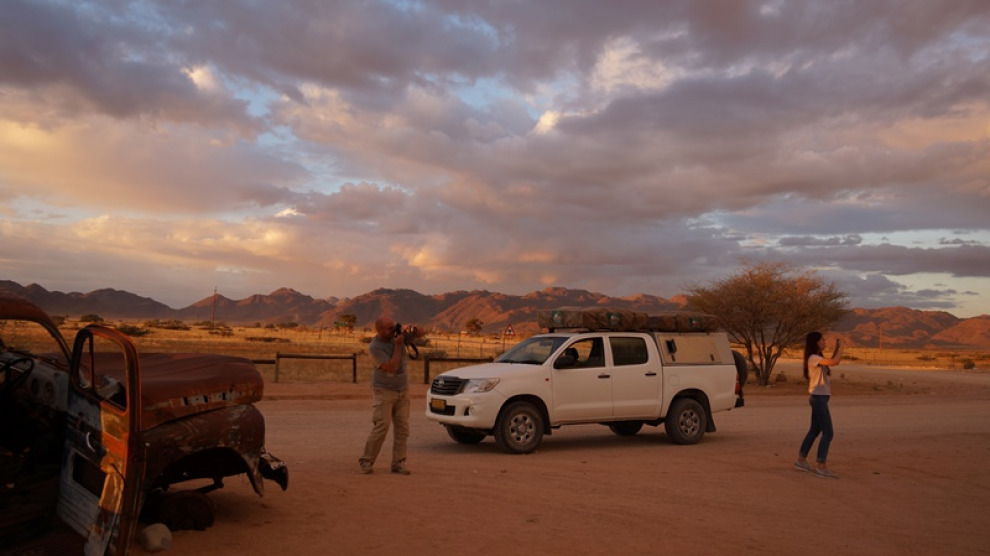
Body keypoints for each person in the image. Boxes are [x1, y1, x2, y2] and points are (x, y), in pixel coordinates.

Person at [359, 316, 425, 475]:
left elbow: (423, 332)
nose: (393, 330)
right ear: (379, 330)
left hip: (402, 390)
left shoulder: (398, 336)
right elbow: (392, 367)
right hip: (384, 390)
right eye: (389, 328)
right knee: (382, 425)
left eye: (393, 326)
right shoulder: (375, 347)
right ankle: (366, 460)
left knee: (403, 428)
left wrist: (412, 329)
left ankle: (398, 463)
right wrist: (398, 345)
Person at [795, 331, 844, 479]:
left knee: (814, 431)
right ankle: (821, 466)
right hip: (819, 399)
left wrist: (837, 347)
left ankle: (801, 460)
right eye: (822, 340)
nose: (824, 342)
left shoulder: (817, 358)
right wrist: (842, 348)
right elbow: (835, 362)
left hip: (819, 398)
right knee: (828, 432)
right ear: (815, 342)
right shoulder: (813, 358)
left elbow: (832, 360)